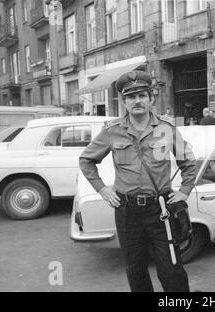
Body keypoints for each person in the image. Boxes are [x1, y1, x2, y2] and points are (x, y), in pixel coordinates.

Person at [79, 70, 198, 292]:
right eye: (131, 97)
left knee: (172, 269)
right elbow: (86, 160)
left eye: (142, 95)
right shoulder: (112, 131)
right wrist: (102, 189)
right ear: (124, 102)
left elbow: (189, 163)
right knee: (135, 270)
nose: (137, 101)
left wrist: (185, 190)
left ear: (151, 99)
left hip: (161, 208)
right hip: (127, 211)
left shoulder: (166, 128)